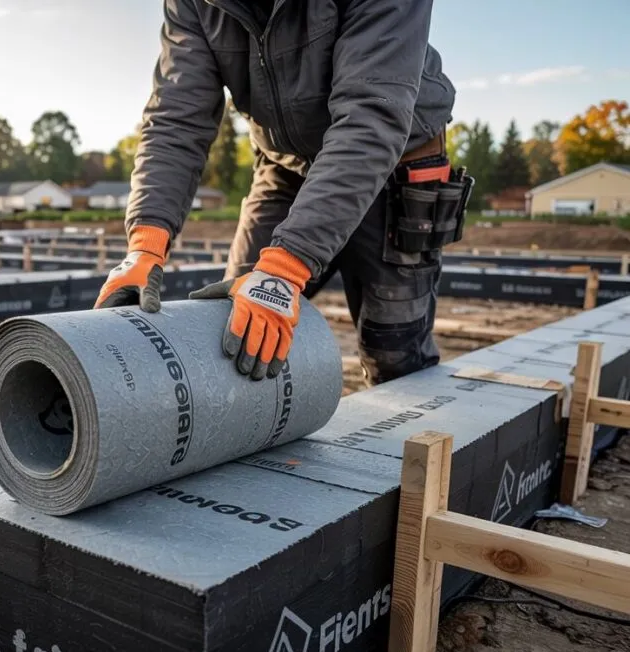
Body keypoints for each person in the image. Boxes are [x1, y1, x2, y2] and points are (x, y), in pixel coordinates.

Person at [94, 0, 473, 385]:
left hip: (395, 160)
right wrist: (145, 245)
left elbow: (371, 119)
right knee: (236, 330)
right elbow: (176, 119)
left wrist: (285, 268)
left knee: (394, 357)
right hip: (286, 165)